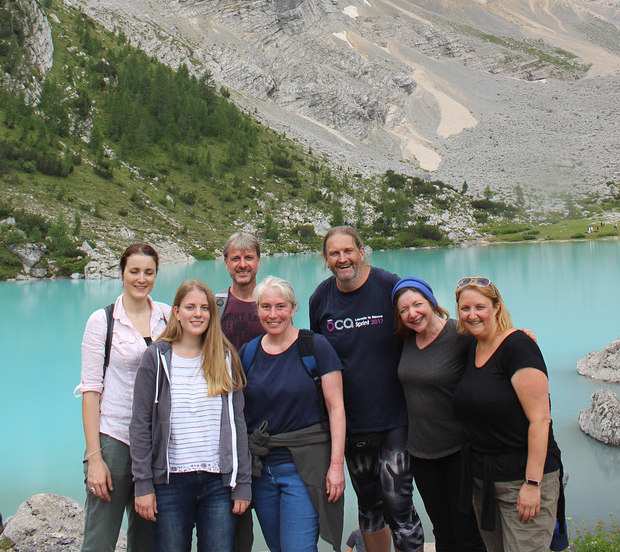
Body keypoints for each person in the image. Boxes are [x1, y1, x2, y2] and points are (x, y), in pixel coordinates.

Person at [309, 227, 424, 552]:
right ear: (326, 259)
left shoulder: (388, 285)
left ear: (361, 251)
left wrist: (497, 337)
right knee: (370, 506)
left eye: (348, 251)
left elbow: (426, 324)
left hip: (395, 417)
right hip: (351, 422)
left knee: (398, 503)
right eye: (334, 253)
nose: (342, 259)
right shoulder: (320, 299)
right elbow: (318, 358)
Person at [130, 279, 251, 552]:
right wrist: (143, 484)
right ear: (176, 312)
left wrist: (242, 482)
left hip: (219, 483)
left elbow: (237, 422)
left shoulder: (225, 357)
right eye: (190, 307)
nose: (198, 314)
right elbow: (140, 425)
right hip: (170, 483)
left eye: (205, 308)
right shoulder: (156, 358)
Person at [452, 277, 564, 552]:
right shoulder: (471, 346)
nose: (472, 314)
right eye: (465, 308)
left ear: (496, 308)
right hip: (485, 480)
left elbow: (541, 419)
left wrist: (533, 483)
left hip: (523, 479)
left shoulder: (518, 347)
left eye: (480, 306)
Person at [76, 241, 171, 552]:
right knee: (100, 538)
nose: (141, 279)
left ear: (156, 274)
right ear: (122, 273)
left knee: (147, 539)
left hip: (156, 442)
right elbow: (91, 391)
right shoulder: (101, 321)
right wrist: (95, 458)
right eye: (134, 272)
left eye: (148, 272)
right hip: (115, 438)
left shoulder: (168, 317)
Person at [240, 276, 346, 552]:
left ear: (294, 308)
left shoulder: (315, 347)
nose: (273, 315)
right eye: (265, 307)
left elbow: (336, 408)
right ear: (257, 309)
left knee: (298, 548)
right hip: (262, 470)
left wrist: (336, 466)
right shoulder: (248, 353)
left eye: (280, 306)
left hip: (304, 466)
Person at [393, 276, 485, 552]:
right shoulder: (405, 340)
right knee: (442, 530)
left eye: (418, 304)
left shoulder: (460, 335)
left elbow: (495, 350)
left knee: (467, 530)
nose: (413, 314)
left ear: (431, 302)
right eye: (404, 310)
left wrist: (519, 337)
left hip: (458, 451)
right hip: (422, 453)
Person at [217, 232, 265, 349]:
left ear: (258, 261)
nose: (242, 265)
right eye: (235, 259)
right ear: (226, 263)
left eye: (248, 258)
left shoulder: (273, 305)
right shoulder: (215, 306)